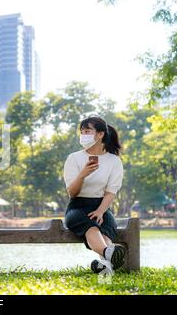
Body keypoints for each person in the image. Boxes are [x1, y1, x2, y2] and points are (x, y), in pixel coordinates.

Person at [63, 115, 125, 274]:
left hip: (102, 206)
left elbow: (111, 191)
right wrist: (82, 174)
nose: (83, 135)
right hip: (77, 206)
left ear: (100, 134)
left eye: (87, 131)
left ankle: (105, 265)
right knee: (91, 226)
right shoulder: (74, 158)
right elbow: (72, 192)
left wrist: (101, 211)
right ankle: (108, 255)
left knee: (106, 227)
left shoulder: (114, 161)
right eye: (82, 131)